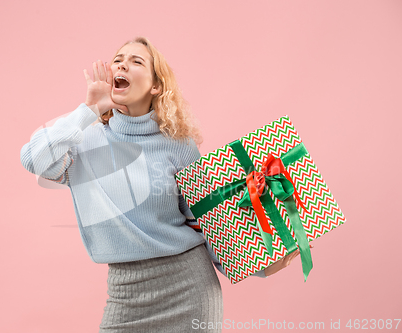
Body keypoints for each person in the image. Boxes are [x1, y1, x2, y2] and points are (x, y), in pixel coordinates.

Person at [20, 36, 303, 333]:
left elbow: (205, 223)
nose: (122, 64)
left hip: (189, 288)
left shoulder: (178, 145)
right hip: (124, 295)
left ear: (156, 85)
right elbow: (34, 159)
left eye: (136, 61)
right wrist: (88, 110)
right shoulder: (86, 142)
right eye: (118, 59)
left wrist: (262, 265)